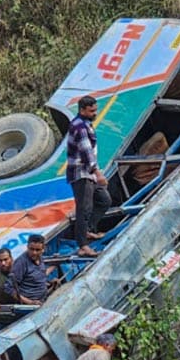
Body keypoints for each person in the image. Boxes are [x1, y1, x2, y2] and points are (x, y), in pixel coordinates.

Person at [66, 95, 111, 258]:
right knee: (83, 209)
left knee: (104, 200)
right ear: (82, 110)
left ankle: (88, 230)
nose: (95, 113)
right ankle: (83, 245)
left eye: (95, 110)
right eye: (92, 110)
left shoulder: (86, 124)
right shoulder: (80, 127)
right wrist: (98, 173)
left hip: (88, 174)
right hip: (82, 173)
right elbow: (86, 153)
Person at [5, 234, 54, 306]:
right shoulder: (21, 263)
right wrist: (30, 302)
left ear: (43, 249)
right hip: (30, 307)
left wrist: (49, 283)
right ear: (27, 247)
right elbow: (8, 288)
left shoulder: (40, 259)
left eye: (37, 250)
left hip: (43, 301)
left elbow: (36, 277)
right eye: (31, 249)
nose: (34, 252)